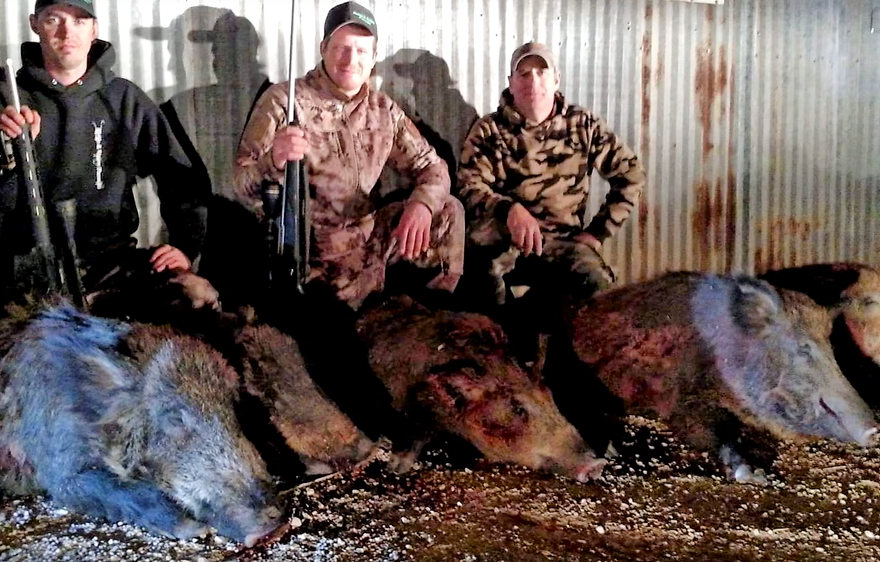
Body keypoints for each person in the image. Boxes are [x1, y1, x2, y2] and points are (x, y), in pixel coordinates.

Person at [233, 1, 465, 466]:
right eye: (341, 49)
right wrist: (274, 159)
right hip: (309, 253)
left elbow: (433, 168)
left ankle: (429, 326)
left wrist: (421, 205)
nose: (350, 60)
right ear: (324, 49)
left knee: (449, 212)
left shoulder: (383, 108)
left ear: (373, 55)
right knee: (326, 340)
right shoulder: (285, 100)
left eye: (361, 51)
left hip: (367, 245)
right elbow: (239, 185)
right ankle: (377, 418)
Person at [0, 0, 210, 305]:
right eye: (54, 20)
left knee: (197, 296)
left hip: (111, 265)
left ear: (94, 29)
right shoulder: (4, 100)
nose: (67, 32)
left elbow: (182, 179)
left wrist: (183, 246)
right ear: (35, 24)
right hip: (30, 270)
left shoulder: (124, 98)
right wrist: (15, 157)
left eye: (79, 21)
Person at [457, 41, 645, 355]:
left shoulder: (582, 125)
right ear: (511, 83)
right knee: (479, 272)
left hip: (562, 243)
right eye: (524, 74)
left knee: (598, 289)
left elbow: (630, 174)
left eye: (542, 73)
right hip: (507, 241)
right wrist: (508, 209)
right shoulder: (489, 131)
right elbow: (469, 185)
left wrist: (597, 233)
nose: (533, 82)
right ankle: (505, 355)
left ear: (556, 80)